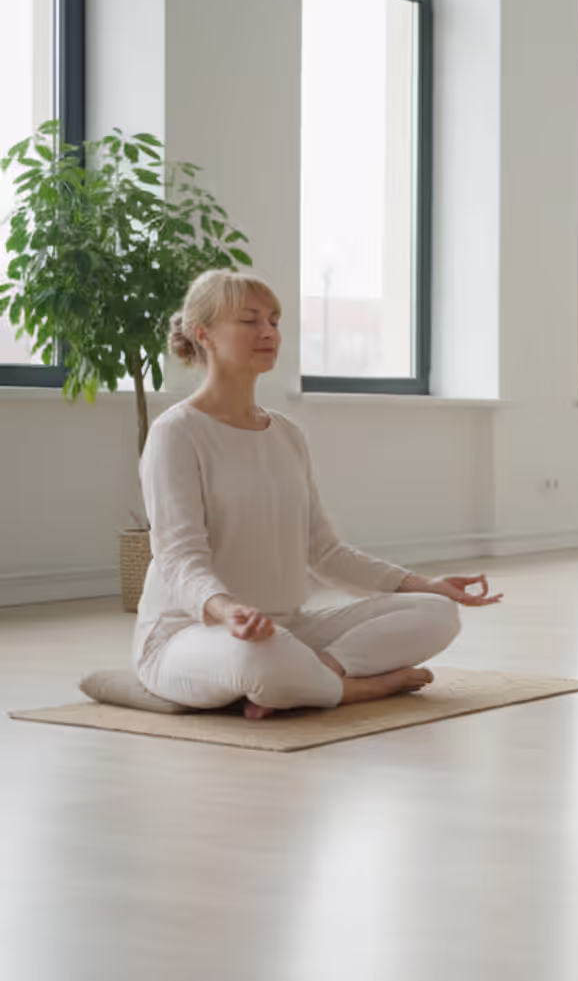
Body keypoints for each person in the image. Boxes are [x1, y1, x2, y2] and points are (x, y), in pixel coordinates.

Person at [136, 271, 502, 719]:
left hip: (289, 628)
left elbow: (324, 551)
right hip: (191, 632)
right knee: (260, 659)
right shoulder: (176, 433)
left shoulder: (286, 433)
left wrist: (426, 584)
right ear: (203, 334)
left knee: (437, 613)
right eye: (249, 321)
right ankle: (360, 688)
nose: (268, 332)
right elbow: (178, 558)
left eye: (274, 320)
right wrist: (228, 610)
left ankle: (315, 676)